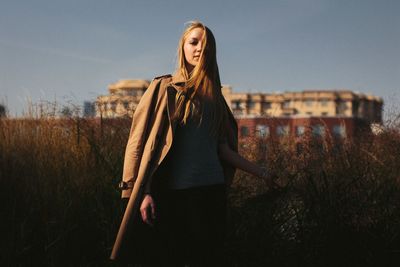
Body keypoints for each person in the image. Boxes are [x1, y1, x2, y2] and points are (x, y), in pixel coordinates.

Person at [110, 21, 276, 267]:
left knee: (210, 258)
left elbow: (223, 150)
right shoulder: (164, 88)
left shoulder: (216, 99)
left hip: (213, 192)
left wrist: (262, 172)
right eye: (193, 42)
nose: (200, 49)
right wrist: (141, 191)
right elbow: (137, 142)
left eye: (206, 45)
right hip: (176, 194)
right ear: (183, 47)